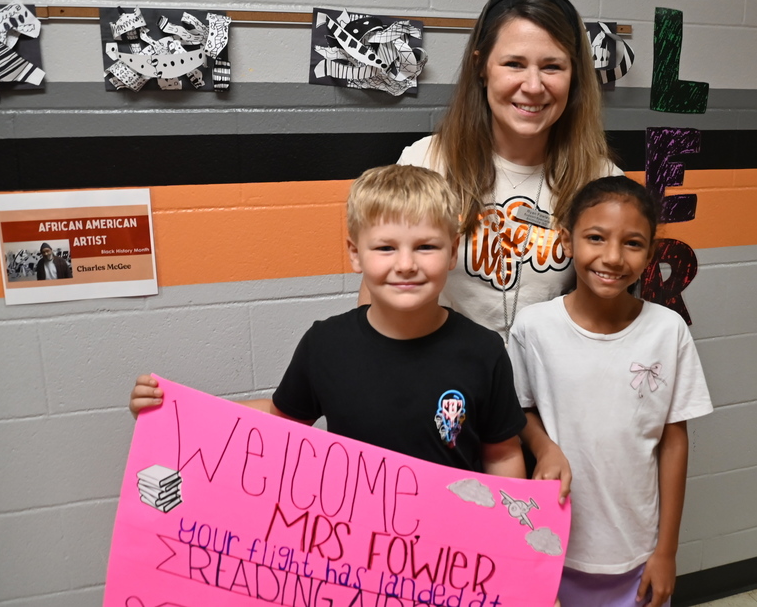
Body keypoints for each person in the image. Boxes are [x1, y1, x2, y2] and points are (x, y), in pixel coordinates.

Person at [131, 165, 526, 477]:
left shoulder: (483, 351)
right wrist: (175, 410)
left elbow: (503, 455)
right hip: (352, 557)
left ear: (453, 251)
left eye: (426, 247)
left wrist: (511, 547)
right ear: (355, 254)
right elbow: (281, 418)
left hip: (450, 561)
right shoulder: (327, 344)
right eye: (385, 248)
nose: (406, 265)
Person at [508, 176, 713, 607]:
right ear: (567, 241)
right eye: (596, 238)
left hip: (637, 555)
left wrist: (666, 551)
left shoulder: (668, 331)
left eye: (632, 243)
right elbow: (517, 411)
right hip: (555, 549)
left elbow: (674, 441)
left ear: (651, 254)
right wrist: (544, 447)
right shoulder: (534, 327)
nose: (613, 257)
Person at [389, 0, 622, 341]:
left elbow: (615, 319)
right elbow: (377, 300)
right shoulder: (424, 163)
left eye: (552, 67)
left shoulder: (604, 185)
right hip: (450, 387)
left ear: (574, 75)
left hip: (550, 387)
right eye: (514, 63)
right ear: (482, 67)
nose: (532, 85)